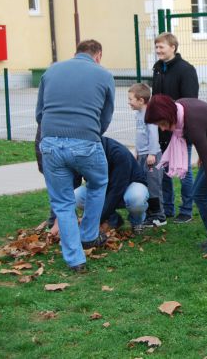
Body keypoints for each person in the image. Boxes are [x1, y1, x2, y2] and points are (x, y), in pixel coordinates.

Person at [35, 39, 115, 272]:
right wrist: (90, 132)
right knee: (98, 182)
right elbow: (106, 116)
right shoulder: (104, 75)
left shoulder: (51, 71)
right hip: (86, 141)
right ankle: (89, 234)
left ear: (76, 53)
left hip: (50, 143)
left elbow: (40, 113)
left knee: (62, 203)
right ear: (98, 55)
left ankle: (75, 260)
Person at [145, 95, 207, 255]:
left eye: (163, 124)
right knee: (199, 194)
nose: (163, 129)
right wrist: (203, 153)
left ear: (170, 115)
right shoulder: (179, 108)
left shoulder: (192, 123)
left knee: (203, 195)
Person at [151, 32, 199, 224]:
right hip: (161, 127)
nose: (158, 51)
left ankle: (186, 210)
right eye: (156, 47)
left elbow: (189, 101)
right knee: (164, 167)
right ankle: (168, 208)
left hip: (179, 129)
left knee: (183, 169)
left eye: (161, 47)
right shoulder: (157, 68)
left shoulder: (186, 70)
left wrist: (178, 125)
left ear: (173, 47)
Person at [74, 137, 149, 235]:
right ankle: (115, 220)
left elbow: (116, 191)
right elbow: (72, 183)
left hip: (128, 186)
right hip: (105, 189)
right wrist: (63, 219)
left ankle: (137, 222)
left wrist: (96, 220)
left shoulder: (118, 153)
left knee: (136, 198)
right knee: (76, 195)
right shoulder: (80, 153)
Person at [128, 83, 165, 228]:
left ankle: (159, 216)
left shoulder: (150, 115)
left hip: (151, 157)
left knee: (153, 186)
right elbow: (140, 136)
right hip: (142, 155)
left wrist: (152, 153)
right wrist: (137, 151)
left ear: (141, 100)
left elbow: (153, 135)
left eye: (131, 99)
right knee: (144, 184)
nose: (129, 102)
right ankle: (149, 214)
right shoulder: (138, 114)